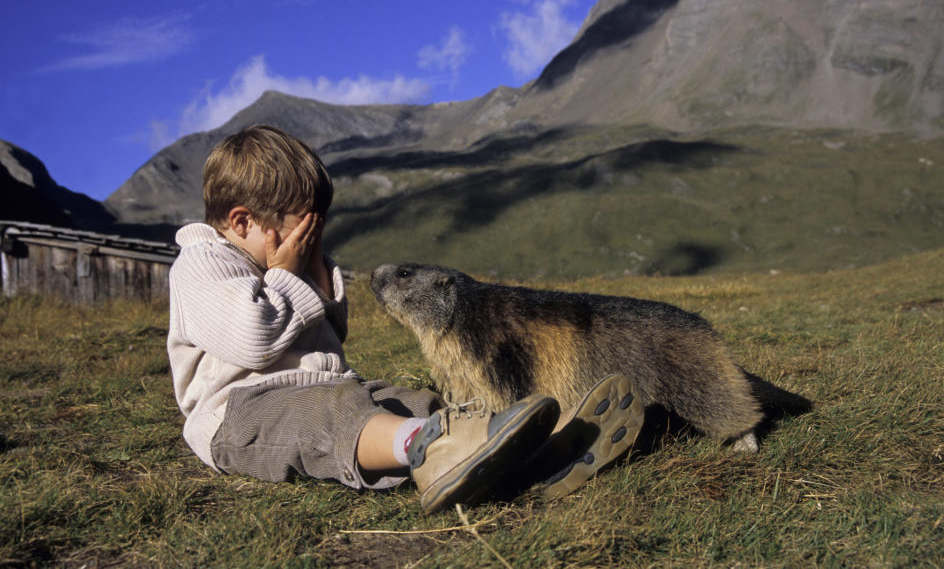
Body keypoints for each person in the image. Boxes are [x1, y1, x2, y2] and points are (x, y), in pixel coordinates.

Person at [166, 124, 637, 514]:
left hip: (328, 390)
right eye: (301, 230)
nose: (311, 242)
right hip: (242, 416)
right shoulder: (202, 265)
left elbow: (328, 337)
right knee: (331, 417)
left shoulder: (275, 266)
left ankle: (518, 451)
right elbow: (253, 340)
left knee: (411, 402)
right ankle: (436, 451)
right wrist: (288, 274)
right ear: (243, 221)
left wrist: (316, 281)